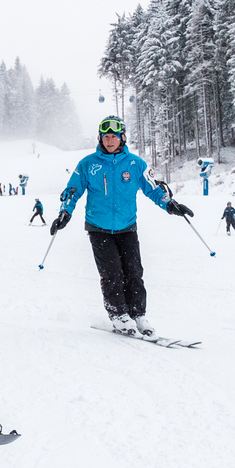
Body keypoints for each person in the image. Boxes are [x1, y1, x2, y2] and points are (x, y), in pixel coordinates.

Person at [50, 115, 192, 337]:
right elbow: (73, 190)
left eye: (113, 137)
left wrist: (170, 205)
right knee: (112, 273)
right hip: (98, 228)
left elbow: (153, 189)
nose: (109, 141)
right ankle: (118, 315)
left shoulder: (135, 164)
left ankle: (138, 314)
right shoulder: (88, 164)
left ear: (122, 138)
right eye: (105, 137)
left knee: (134, 272)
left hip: (127, 227)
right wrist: (64, 213)